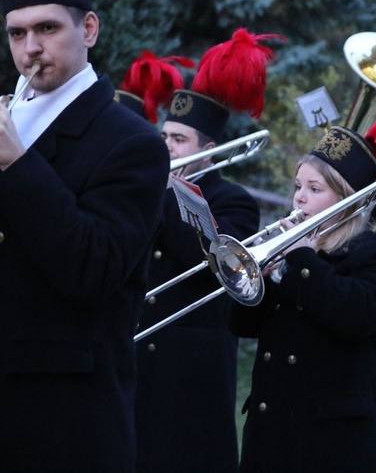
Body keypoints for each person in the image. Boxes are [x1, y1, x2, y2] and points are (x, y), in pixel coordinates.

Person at [0, 0, 169, 472]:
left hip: (55, 432)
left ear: (88, 28)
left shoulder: (132, 142)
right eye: (16, 33)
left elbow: (94, 269)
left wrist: (16, 163)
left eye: (46, 28)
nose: (30, 49)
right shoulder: (5, 119)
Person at [135, 29, 280, 473]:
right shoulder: (140, 190)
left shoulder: (234, 200)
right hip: (138, 359)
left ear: (209, 151)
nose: (166, 147)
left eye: (178, 140)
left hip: (192, 369)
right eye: (163, 136)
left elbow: (202, 257)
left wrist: (162, 188)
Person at [230, 125, 376, 473]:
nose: (299, 198)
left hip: (331, 442)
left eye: (314, 188)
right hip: (270, 433)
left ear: (347, 199)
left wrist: (301, 262)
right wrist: (254, 282)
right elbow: (240, 325)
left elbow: (357, 316)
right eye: (298, 187)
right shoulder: (291, 250)